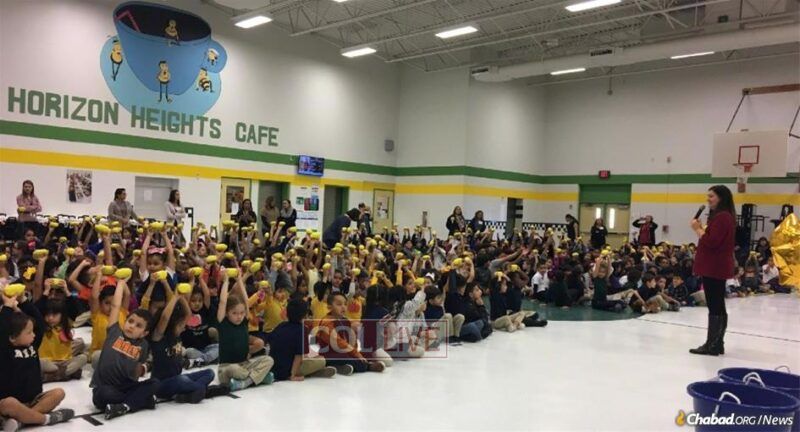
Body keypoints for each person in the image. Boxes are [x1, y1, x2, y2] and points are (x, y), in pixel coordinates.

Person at [1, 288, 75, 430]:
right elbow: (2, 329)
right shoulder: (4, 349)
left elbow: (38, 323)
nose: (34, 335)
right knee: (8, 403)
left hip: (34, 400)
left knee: (58, 393)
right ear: (11, 337)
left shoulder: (32, 344)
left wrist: (23, 301)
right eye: (29, 332)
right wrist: (7, 308)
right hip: (12, 403)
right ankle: (45, 419)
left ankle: (22, 421)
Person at [90, 280, 159, 420]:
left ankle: (124, 406)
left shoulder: (143, 345)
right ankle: (138, 401)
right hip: (106, 388)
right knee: (104, 394)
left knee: (155, 383)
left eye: (138, 326)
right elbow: (116, 306)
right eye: (130, 321)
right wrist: (120, 283)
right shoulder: (115, 331)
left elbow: (136, 372)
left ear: (145, 333)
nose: (132, 326)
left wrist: (139, 373)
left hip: (126, 386)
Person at [689, 185, 736, 356]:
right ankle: (716, 343)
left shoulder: (722, 217)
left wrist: (698, 229)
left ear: (721, 198)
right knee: (717, 305)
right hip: (716, 266)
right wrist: (702, 229)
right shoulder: (724, 216)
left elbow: (711, 242)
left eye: (712, 196)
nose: (708, 199)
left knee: (715, 306)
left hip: (714, 266)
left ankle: (712, 344)